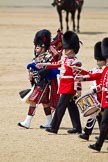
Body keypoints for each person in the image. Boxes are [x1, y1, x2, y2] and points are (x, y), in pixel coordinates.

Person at [18, 29, 60, 129]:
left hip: (43, 84)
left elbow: (47, 69)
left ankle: (27, 122)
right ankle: (49, 121)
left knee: (33, 101)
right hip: (38, 83)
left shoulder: (47, 57)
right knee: (45, 103)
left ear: (43, 47)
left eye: (37, 47)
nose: (36, 49)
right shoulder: (38, 56)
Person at [45, 31, 82, 134]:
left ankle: (54, 127)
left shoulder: (75, 61)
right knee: (71, 106)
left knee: (60, 106)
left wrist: (78, 89)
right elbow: (56, 64)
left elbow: (77, 76)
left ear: (72, 50)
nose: (65, 50)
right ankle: (77, 127)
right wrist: (44, 65)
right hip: (64, 85)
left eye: (67, 48)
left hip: (69, 86)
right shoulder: (65, 59)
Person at [75, 38, 108, 151]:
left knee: (101, 121)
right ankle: (97, 142)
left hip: (103, 99)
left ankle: (94, 140)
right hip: (104, 100)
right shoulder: (105, 70)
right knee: (102, 121)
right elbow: (98, 80)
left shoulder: (104, 69)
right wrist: (83, 77)